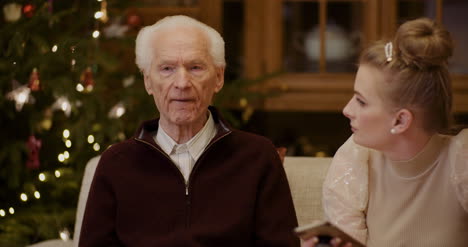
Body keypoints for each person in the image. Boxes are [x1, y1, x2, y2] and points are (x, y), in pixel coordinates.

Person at [79, 15, 299, 247]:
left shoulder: (258, 156)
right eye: (167, 69)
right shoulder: (116, 164)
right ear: (147, 81)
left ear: (218, 78)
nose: (182, 83)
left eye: (195, 68)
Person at [303, 17, 468, 247]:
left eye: (361, 101)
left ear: (400, 120)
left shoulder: (462, 160)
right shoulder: (355, 158)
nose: (347, 110)